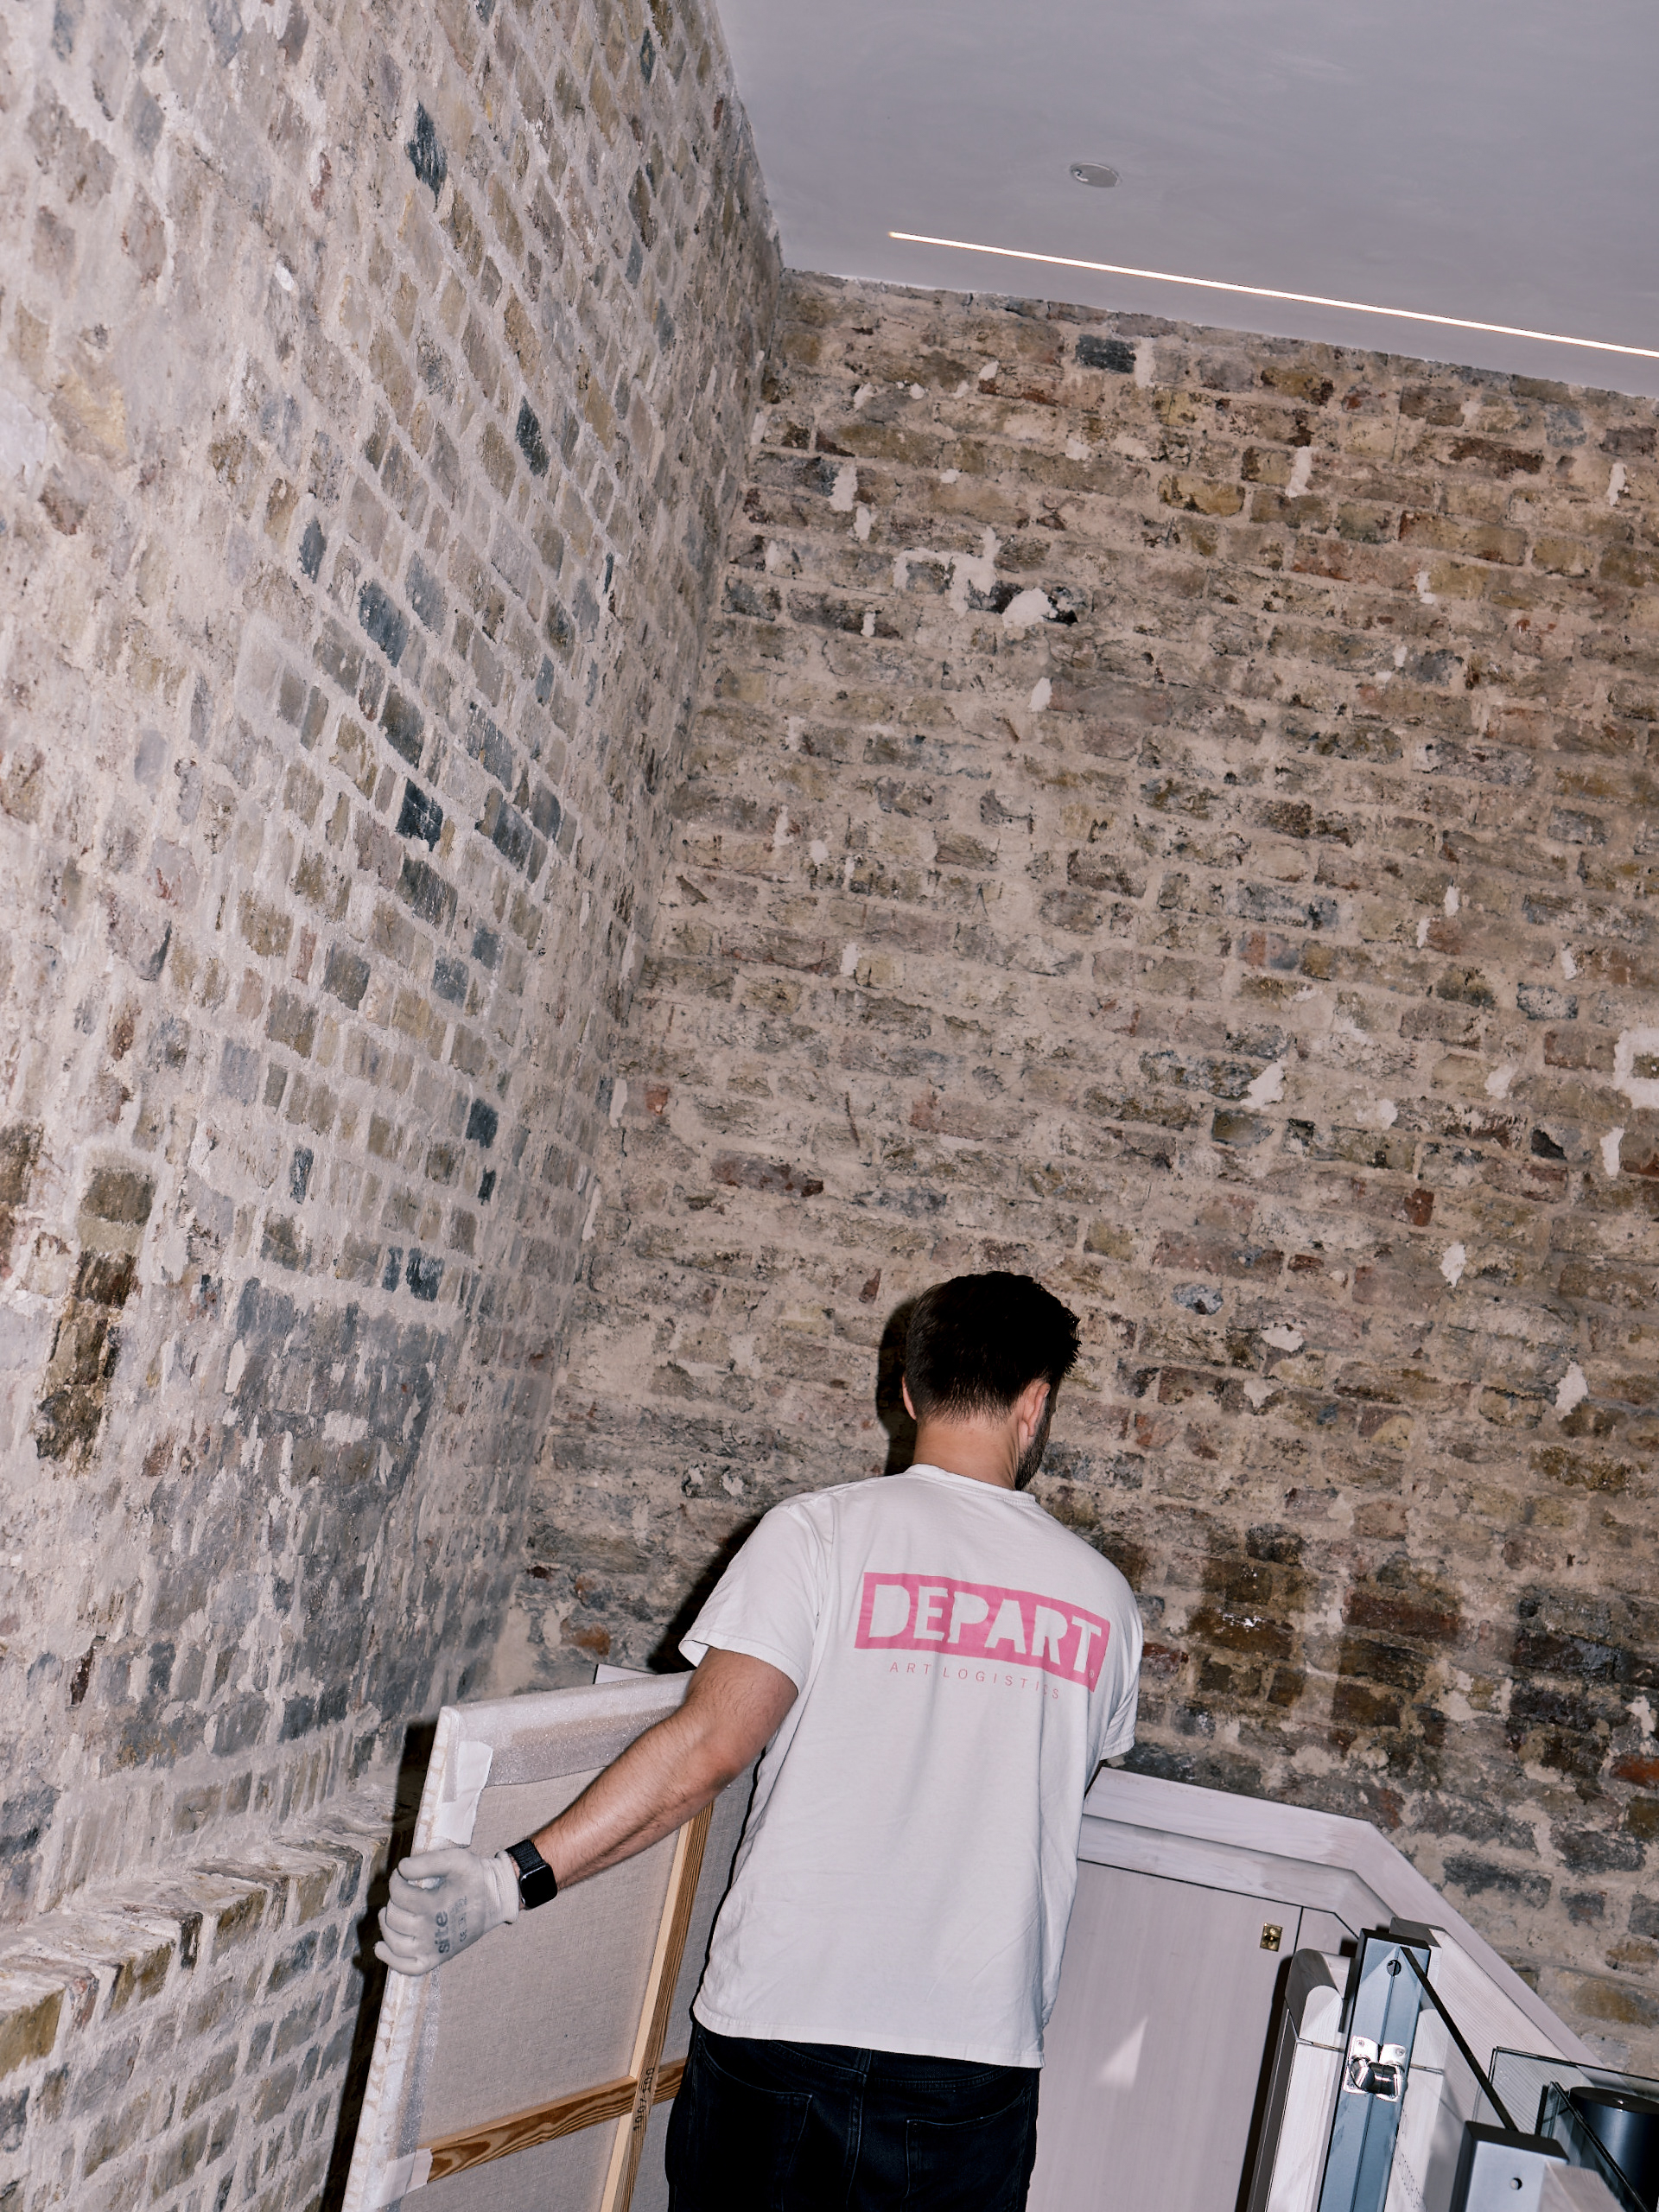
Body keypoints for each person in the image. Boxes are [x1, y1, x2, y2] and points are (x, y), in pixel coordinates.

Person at [377, 1271, 1143, 2209]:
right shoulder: (1103, 1599)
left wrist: (507, 1882)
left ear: (908, 1393)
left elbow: (706, 1749)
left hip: (782, 2025)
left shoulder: (819, 1535)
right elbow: (1059, 1790)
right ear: (1036, 1403)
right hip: (972, 2055)